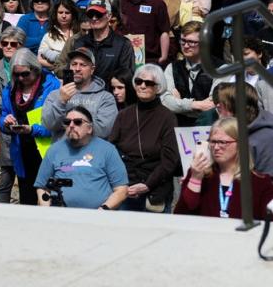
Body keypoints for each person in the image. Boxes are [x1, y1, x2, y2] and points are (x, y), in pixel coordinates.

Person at [106, 64, 179, 212]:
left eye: (149, 83)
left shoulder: (167, 117)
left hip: (155, 189)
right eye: (139, 81)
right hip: (125, 187)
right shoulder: (124, 115)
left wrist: (147, 185)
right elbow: (110, 150)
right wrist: (121, 182)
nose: (143, 86)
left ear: (158, 87)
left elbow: (169, 160)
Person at [175, 116, 273, 218]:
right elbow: (181, 216)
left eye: (222, 142)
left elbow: (269, 223)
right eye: (213, 142)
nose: (216, 147)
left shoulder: (260, 182)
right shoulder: (200, 174)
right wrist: (195, 179)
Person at [35, 106, 129, 210]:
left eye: (77, 122)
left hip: (97, 217)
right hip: (60, 216)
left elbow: (121, 190)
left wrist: (103, 210)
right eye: (67, 122)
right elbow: (42, 187)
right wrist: (48, 212)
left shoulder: (107, 150)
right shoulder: (54, 150)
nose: (71, 125)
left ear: (89, 128)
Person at [0, 48, 61, 205]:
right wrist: (6, 122)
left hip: (46, 151)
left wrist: (33, 129)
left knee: (50, 200)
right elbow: (3, 115)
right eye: (16, 74)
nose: (21, 78)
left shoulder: (51, 86)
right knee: (27, 199)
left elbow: (57, 123)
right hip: (22, 152)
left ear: (35, 68)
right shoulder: (11, 89)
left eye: (25, 74)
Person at [0, 26, 27, 203]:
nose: (8, 46)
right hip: (7, 128)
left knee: (26, 180)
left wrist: (5, 100)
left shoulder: (30, 65)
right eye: (5, 43)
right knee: (6, 178)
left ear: (21, 46)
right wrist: (17, 104)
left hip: (26, 127)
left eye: (13, 44)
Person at [42, 47, 118, 140]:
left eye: (83, 65)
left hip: (92, 153)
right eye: (74, 64)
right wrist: (61, 102)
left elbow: (104, 130)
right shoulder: (54, 95)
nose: (77, 69)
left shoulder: (105, 98)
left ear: (92, 69)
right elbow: (48, 125)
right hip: (63, 152)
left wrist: (70, 122)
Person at [62, 0, 134, 85]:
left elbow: (126, 77)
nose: (94, 18)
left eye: (98, 14)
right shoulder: (79, 43)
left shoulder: (123, 45)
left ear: (109, 16)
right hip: (83, 95)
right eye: (90, 14)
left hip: (110, 95)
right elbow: (70, 73)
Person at [161, 21, 214, 127]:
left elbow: (213, 105)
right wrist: (194, 105)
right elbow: (165, 102)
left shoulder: (219, 69)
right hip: (178, 127)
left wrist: (178, 103)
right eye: (183, 41)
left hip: (209, 129)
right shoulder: (172, 67)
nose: (185, 46)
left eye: (191, 42)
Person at [119, 0, 172, 67]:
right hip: (125, 55)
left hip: (150, 58)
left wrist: (163, 57)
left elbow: (164, 31)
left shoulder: (157, 3)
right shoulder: (122, 2)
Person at [38, 0, 80, 71]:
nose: (63, 16)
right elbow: (40, 59)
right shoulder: (49, 36)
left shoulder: (80, 33)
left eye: (67, 13)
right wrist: (59, 67)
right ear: (55, 14)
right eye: (60, 12)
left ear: (73, 14)